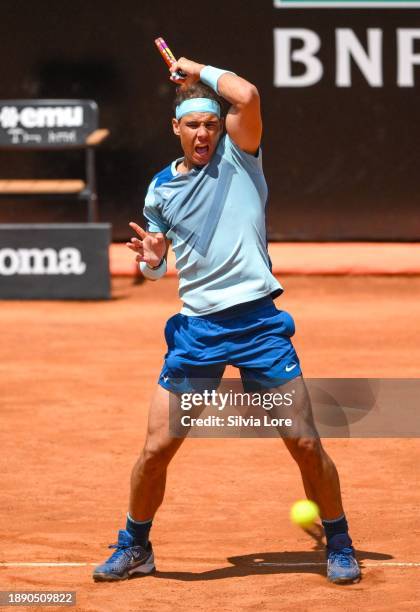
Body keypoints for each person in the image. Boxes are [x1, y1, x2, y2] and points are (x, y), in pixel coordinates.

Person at [93, 58, 361, 584]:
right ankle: (136, 545)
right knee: (156, 450)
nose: (203, 133)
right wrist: (150, 259)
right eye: (193, 124)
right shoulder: (160, 191)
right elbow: (156, 265)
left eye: (212, 124)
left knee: (305, 442)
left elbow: (249, 92)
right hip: (198, 331)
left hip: (260, 326)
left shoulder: (242, 158)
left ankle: (341, 540)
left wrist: (195, 68)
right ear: (176, 128)